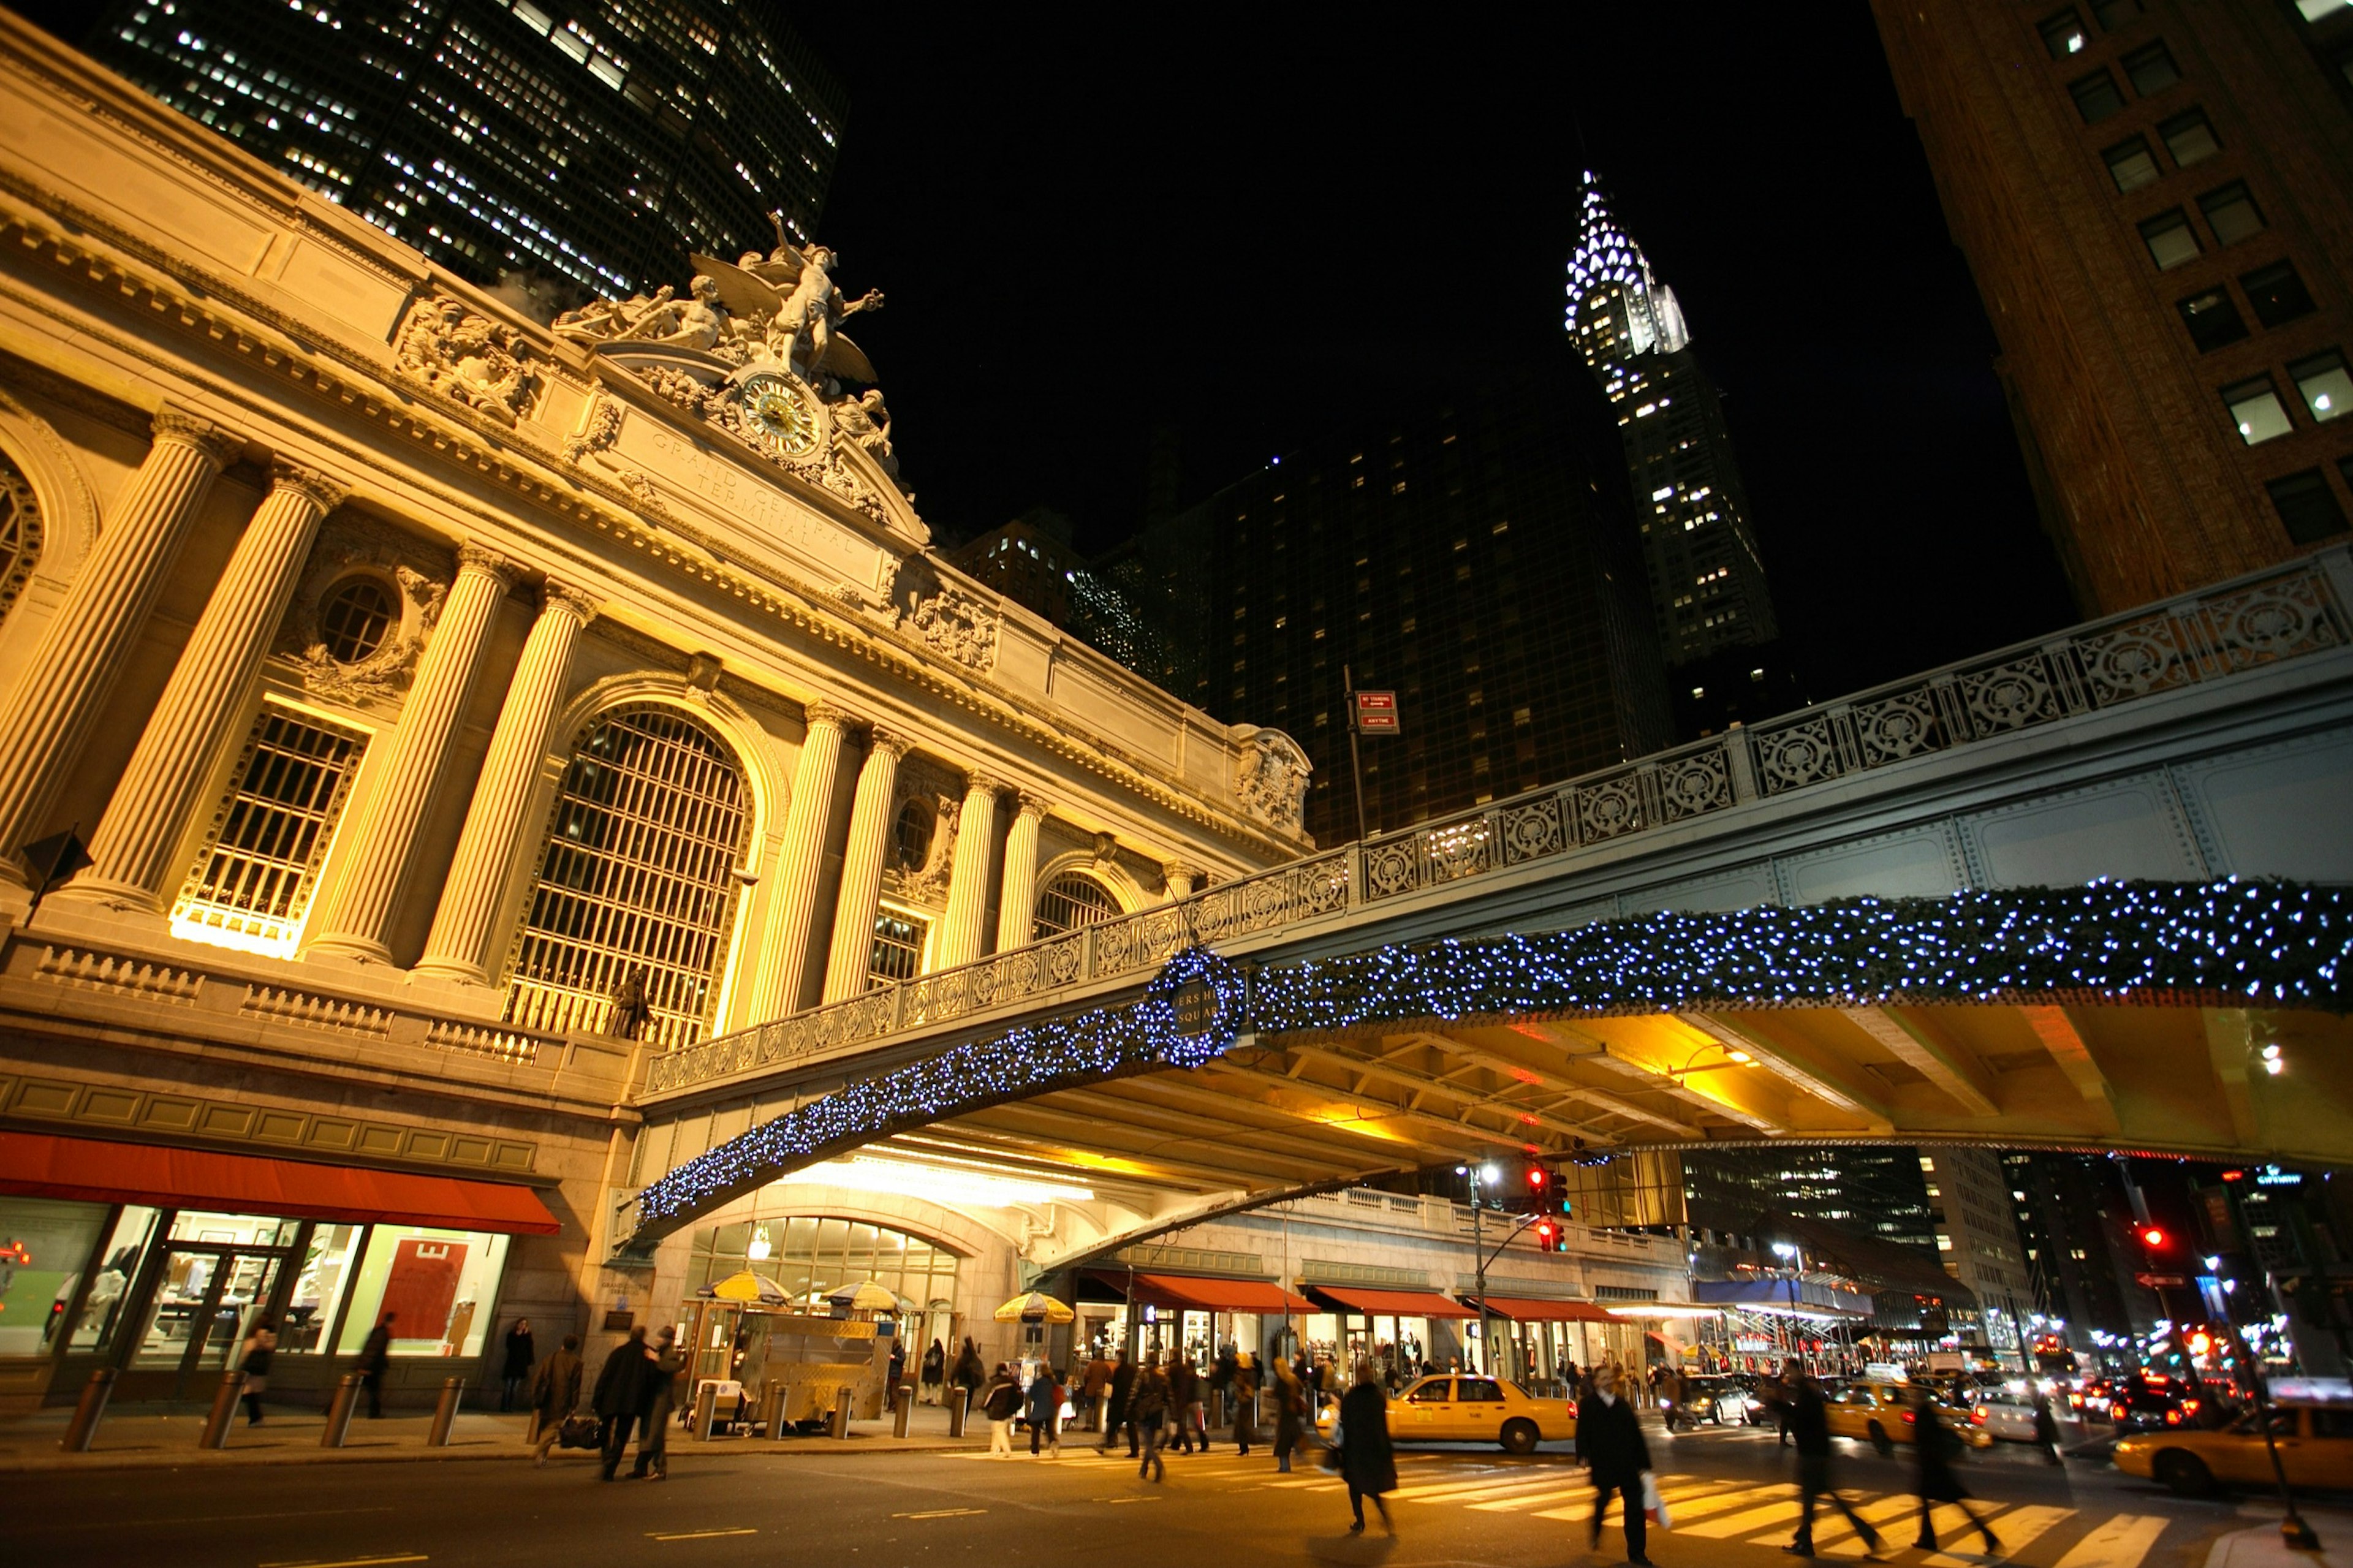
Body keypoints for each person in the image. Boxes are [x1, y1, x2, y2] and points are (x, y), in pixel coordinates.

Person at [1786, 1366, 1884, 1560]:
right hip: (1817, 1455)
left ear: (1797, 1374)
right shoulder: (1809, 1393)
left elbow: (1802, 1420)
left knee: (1814, 1501)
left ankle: (1807, 1539)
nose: (1788, 1377)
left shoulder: (1807, 1395)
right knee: (1812, 1501)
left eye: (1790, 1373)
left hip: (1813, 1457)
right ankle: (1805, 1538)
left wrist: (1778, 1404)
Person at [1578, 1363, 1654, 1566]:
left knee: (1635, 1508)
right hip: (1603, 1463)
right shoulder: (1588, 1404)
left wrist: (1644, 1462)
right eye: (1603, 1378)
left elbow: (1636, 1434)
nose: (1608, 1381)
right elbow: (1582, 1431)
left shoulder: (1622, 1404)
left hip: (1627, 1463)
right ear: (1596, 1382)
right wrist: (1583, 1455)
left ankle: (1637, 1553)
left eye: (1610, 1378)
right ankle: (1596, 1528)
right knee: (1604, 1498)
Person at [1910, 1386, 1999, 1556]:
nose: (1911, 1401)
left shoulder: (1923, 1414)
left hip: (1933, 1470)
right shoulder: (1927, 1413)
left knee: (1944, 1504)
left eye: (1913, 1398)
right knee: (1943, 1504)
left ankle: (1929, 1539)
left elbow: (1925, 1442)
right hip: (1936, 1469)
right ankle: (1928, 1538)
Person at [1337, 1356, 1397, 1536]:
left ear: (1358, 1377)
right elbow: (1381, 1424)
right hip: (1374, 1448)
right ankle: (1386, 1519)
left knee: (1355, 1486)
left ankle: (1360, 1520)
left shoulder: (1352, 1397)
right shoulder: (1378, 1397)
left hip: (1356, 1449)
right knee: (1374, 1488)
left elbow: (1344, 1421)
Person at [593, 1327, 651, 1482]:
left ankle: (606, 1457)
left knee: (604, 1430)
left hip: (611, 1400)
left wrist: (597, 1399)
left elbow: (605, 1376)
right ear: (643, 1337)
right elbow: (649, 1383)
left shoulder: (618, 1352)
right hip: (631, 1403)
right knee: (621, 1436)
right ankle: (610, 1467)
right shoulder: (647, 1355)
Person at [632, 1326, 685, 1480]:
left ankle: (660, 1468)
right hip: (654, 1398)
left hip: (661, 1400)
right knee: (649, 1433)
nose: (658, 1340)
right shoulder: (661, 1352)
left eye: (661, 1338)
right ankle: (640, 1467)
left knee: (655, 1435)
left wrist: (657, 1360)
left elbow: (675, 1366)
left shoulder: (668, 1354)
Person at [529, 1333, 585, 1467]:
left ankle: (542, 1455)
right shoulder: (577, 1362)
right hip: (562, 1400)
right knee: (552, 1428)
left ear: (563, 1345)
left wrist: (535, 1395)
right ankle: (540, 1454)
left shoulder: (551, 1357)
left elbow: (538, 1378)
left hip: (546, 1397)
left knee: (545, 1426)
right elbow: (575, 1387)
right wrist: (573, 1406)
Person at [1133, 1352, 1170, 1482]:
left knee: (1148, 1443)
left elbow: (1134, 1393)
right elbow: (1169, 1397)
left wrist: (1129, 1410)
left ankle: (1158, 1465)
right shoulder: (1163, 1378)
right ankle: (1143, 1469)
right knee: (1150, 1440)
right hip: (1157, 1412)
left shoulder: (1143, 1375)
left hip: (1145, 1412)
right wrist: (1174, 1416)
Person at [237, 1317, 277, 1426]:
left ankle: (256, 1418)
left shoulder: (253, 1334)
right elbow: (271, 1347)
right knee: (248, 1394)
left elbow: (247, 1351)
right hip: (257, 1368)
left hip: (250, 1367)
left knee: (244, 1394)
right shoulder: (268, 1334)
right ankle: (256, 1418)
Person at [355, 1314, 394, 1419]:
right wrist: (366, 1367)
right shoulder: (382, 1334)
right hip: (371, 1368)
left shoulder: (378, 1332)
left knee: (356, 1389)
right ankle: (374, 1413)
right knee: (374, 1391)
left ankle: (331, 1409)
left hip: (370, 1367)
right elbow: (373, 1351)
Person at [1273, 1358, 1308, 1474]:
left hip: (1285, 1412)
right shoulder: (1292, 1378)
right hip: (1293, 1411)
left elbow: (1277, 1394)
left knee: (1283, 1441)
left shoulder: (1281, 1381)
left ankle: (1285, 1465)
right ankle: (1300, 1451)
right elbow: (1301, 1388)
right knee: (1294, 1435)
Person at [981, 1363, 1022, 1458]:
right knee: (997, 1430)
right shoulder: (1012, 1382)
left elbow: (989, 1397)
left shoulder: (996, 1382)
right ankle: (994, 1450)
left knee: (999, 1430)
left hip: (998, 1410)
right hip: (1009, 1411)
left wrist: (983, 1406)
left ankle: (1007, 1450)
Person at [1105, 1348, 1138, 1456]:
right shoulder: (1133, 1369)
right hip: (1130, 1402)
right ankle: (1135, 1449)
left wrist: (1112, 1401)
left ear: (1120, 1357)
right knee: (1130, 1426)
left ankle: (1107, 1443)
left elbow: (1116, 1387)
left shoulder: (1119, 1370)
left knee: (1113, 1424)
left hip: (1120, 1402)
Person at [501, 1317, 537, 1412]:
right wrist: (518, 1336)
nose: (523, 1326)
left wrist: (530, 1361)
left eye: (525, 1324)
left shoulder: (527, 1336)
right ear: (517, 1324)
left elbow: (530, 1349)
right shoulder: (512, 1335)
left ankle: (510, 1406)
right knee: (508, 1386)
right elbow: (509, 1346)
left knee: (515, 1387)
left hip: (521, 1364)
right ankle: (504, 1406)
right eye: (521, 1323)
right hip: (512, 1363)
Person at [1026, 1363, 1063, 1456]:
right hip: (1051, 1409)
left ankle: (1035, 1450)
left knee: (1036, 1430)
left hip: (1039, 1409)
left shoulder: (1039, 1382)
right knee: (1050, 1430)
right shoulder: (1053, 1382)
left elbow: (1031, 1394)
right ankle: (1053, 1443)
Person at [1168, 1353, 1202, 1455]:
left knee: (1181, 1425)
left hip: (1183, 1401)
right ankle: (1177, 1444)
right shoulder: (1185, 1372)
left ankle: (1188, 1447)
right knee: (1182, 1424)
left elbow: (1180, 1388)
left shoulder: (1183, 1372)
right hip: (1186, 1400)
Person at [1232, 1350, 1259, 1456]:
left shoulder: (1245, 1373)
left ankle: (1245, 1445)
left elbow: (1241, 1384)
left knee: (1242, 1424)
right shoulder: (1250, 1372)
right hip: (1246, 1399)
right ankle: (1244, 1446)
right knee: (1242, 1424)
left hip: (1245, 1399)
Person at [2033, 1388, 2065, 1465]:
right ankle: (2052, 1458)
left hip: (2046, 1429)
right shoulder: (2044, 1407)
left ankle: (2053, 1459)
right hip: (2047, 1429)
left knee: (2048, 1444)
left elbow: (2042, 1419)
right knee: (2048, 1444)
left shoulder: (2042, 1409)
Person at [1082, 1352, 1113, 1431]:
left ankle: (1088, 1425)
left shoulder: (1091, 1365)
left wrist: (1087, 1383)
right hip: (1101, 1390)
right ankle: (1098, 1424)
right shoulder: (1105, 1366)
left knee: (1090, 1407)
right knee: (1099, 1408)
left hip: (1090, 1389)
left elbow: (1086, 1375)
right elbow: (1110, 1378)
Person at [920, 1338, 946, 1406]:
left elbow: (926, 1355)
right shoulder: (942, 1352)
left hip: (930, 1370)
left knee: (927, 1383)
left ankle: (928, 1397)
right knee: (935, 1386)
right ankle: (934, 1400)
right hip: (937, 1372)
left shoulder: (932, 1350)